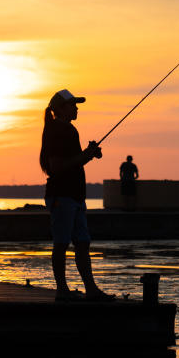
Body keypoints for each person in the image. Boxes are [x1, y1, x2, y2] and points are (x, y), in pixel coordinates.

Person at [40, 89, 111, 301]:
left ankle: (91, 289)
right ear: (61, 109)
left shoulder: (70, 129)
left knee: (82, 242)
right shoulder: (56, 130)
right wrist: (86, 155)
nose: (77, 108)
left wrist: (88, 155)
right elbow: (57, 166)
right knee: (61, 243)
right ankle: (62, 291)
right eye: (73, 105)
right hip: (62, 196)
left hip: (75, 196)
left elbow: (73, 161)